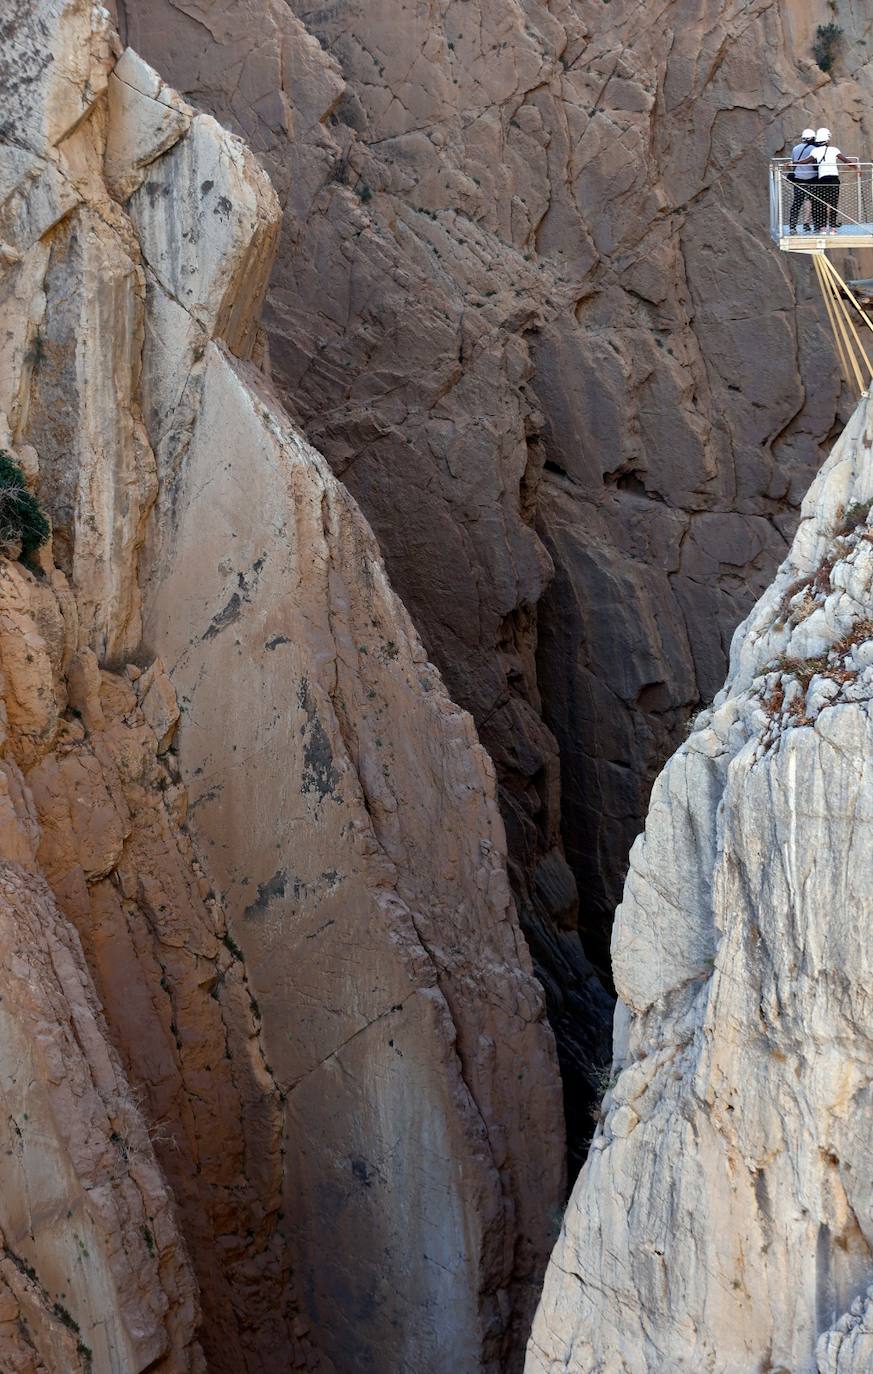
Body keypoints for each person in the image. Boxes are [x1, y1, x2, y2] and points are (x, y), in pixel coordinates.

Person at [795, 128, 860, 232]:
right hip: (834, 179)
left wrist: (793, 163)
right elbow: (846, 161)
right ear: (828, 139)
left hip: (822, 180)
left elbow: (805, 161)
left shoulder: (815, 150)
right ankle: (833, 227)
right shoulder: (834, 150)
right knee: (833, 203)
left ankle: (823, 227)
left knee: (822, 204)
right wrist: (856, 167)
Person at [789, 127, 818, 233]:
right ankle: (814, 225)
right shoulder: (814, 149)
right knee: (814, 202)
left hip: (798, 178)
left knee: (797, 203)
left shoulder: (795, 148)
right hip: (812, 178)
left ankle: (792, 227)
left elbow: (793, 162)